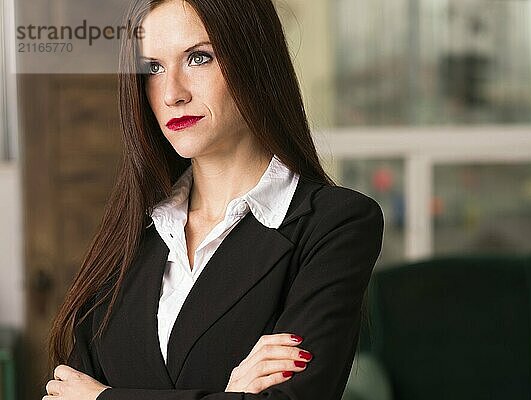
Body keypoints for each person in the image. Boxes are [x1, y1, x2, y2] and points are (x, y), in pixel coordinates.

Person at [44, 0, 384, 399]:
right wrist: (228, 393)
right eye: (153, 68)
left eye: (199, 58)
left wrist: (104, 397)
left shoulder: (335, 224)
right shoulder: (133, 229)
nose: (172, 93)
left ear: (254, 60)